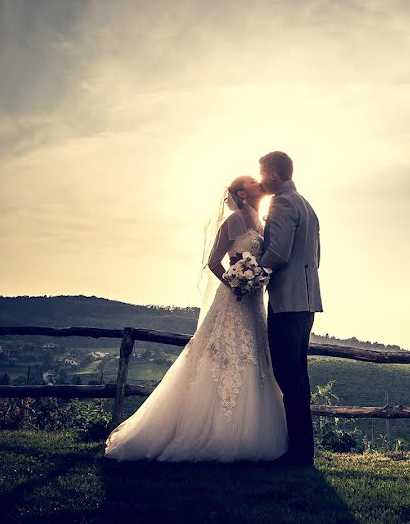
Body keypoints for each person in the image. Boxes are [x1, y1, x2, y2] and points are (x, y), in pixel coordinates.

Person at [104, 176, 288, 462]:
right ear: (241, 193)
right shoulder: (234, 221)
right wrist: (234, 284)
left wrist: (254, 280)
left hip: (254, 302)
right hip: (233, 300)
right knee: (223, 357)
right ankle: (210, 430)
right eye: (252, 181)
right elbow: (213, 261)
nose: (258, 181)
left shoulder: (260, 221)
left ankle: (250, 432)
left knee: (254, 358)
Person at [259, 151, 322, 467]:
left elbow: (279, 253)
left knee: (288, 376)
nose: (260, 180)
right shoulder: (306, 205)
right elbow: (315, 256)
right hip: (307, 301)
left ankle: (298, 454)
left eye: (262, 173)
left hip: (286, 301)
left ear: (272, 174)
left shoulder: (282, 203)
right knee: (299, 376)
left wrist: (253, 273)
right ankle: (303, 450)